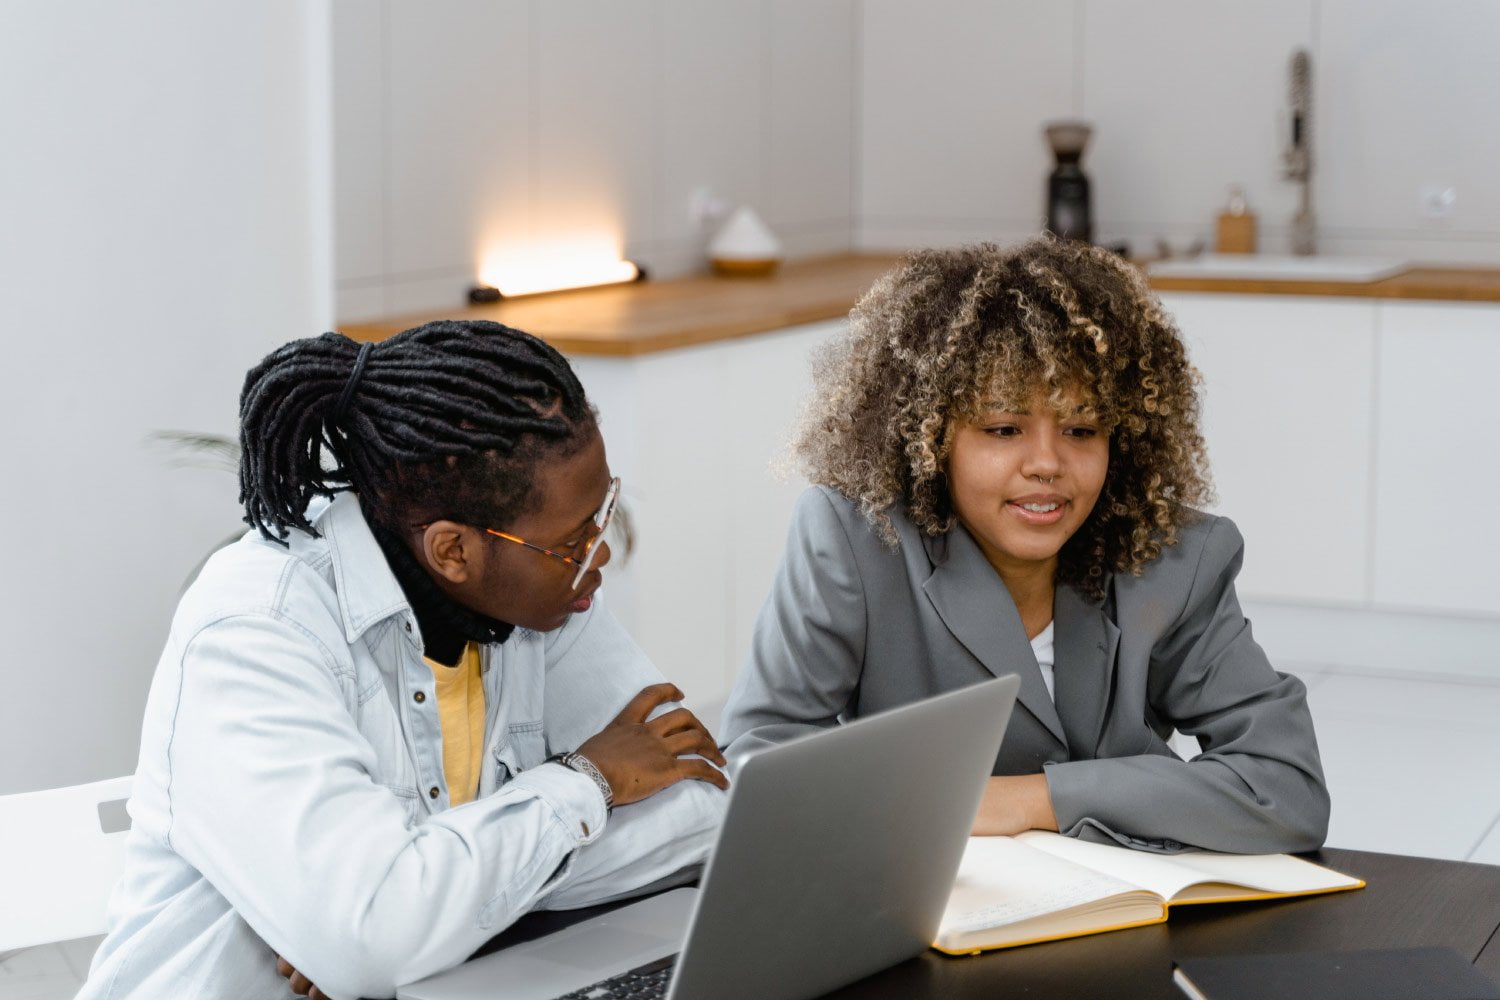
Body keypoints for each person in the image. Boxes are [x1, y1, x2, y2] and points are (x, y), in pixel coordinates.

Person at [79, 320, 729, 1000]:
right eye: (573, 541)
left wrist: (428, 916)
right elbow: (371, 941)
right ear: (453, 551)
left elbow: (698, 810)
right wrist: (585, 782)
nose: (599, 552)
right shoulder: (256, 630)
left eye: (602, 514)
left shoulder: (542, 602)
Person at [721, 238, 1329, 855]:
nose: (1046, 463)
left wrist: (1026, 800)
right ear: (930, 438)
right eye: (1004, 428)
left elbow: (1286, 789)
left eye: (1081, 429)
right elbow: (759, 765)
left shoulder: (1175, 557)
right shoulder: (854, 541)